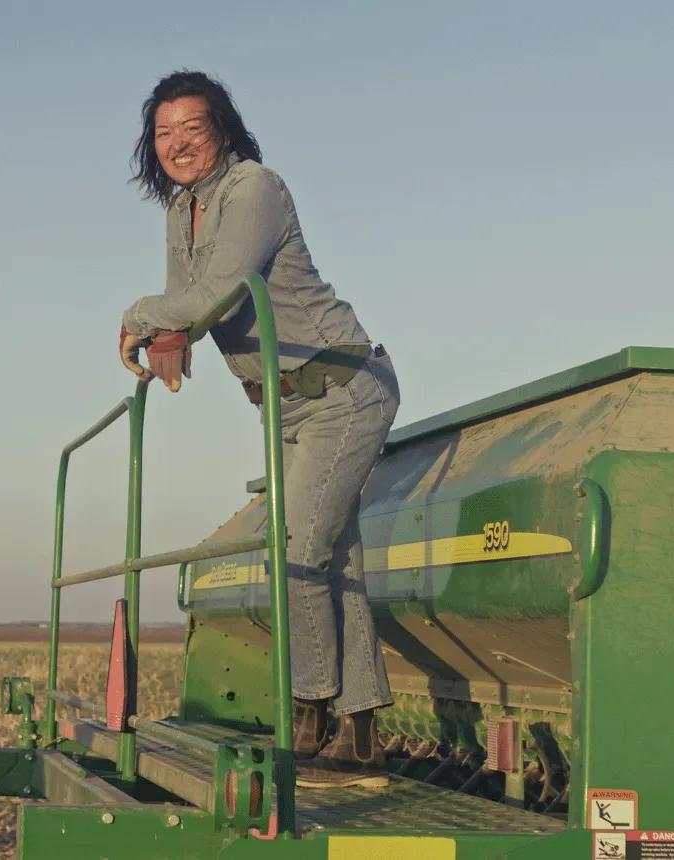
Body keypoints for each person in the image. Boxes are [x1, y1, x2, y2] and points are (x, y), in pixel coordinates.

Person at [118, 70, 399, 789]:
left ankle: (309, 712)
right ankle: (361, 733)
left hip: (341, 385)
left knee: (296, 555)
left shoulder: (256, 189)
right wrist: (167, 341)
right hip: (282, 403)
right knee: (330, 560)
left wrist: (140, 317)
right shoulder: (182, 210)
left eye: (193, 129)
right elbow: (188, 308)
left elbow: (212, 292)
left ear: (224, 132)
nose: (178, 144)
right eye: (163, 133)